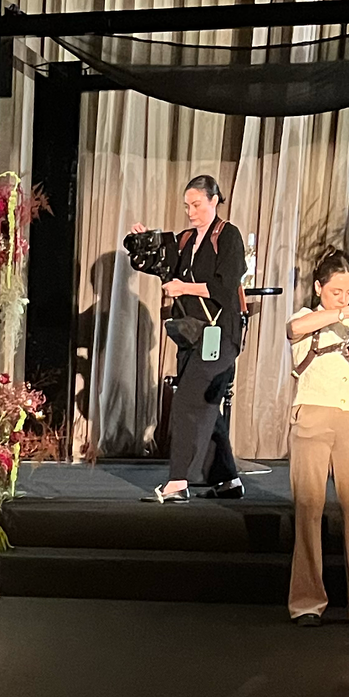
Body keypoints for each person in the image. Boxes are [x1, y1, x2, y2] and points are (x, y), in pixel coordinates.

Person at [127, 176, 248, 502]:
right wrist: (143, 242)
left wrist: (185, 288)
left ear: (214, 200)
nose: (190, 211)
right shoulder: (185, 240)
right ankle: (227, 480)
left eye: (196, 204)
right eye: (187, 205)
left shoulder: (229, 236)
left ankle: (178, 482)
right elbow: (157, 263)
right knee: (208, 403)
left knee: (186, 400)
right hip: (193, 334)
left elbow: (225, 288)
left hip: (221, 335)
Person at [285, 251, 349, 625]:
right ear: (318, 287)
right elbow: (295, 332)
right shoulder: (306, 318)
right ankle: (307, 601)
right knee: (309, 509)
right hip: (313, 415)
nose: (344, 298)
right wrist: (344, 314)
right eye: (336, 291)